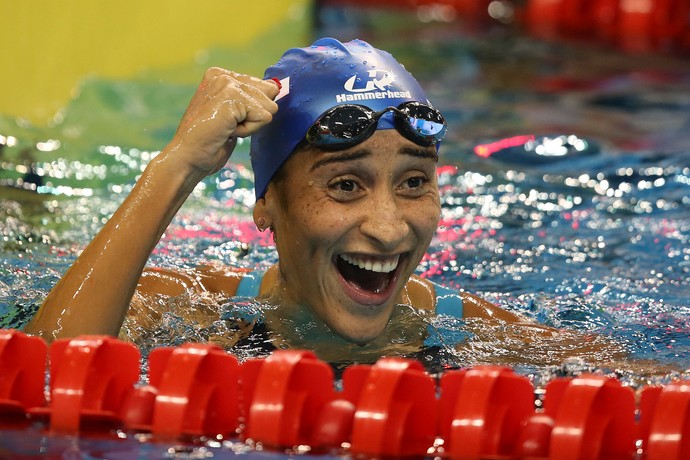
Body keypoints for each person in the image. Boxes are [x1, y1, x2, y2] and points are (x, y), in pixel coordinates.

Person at [25, 38, 602, 364]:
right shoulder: (190, 309)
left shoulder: (483, 336)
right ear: (266, 206)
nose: (389, 228)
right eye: (345, 185)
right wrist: (177, 166)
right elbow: (50, 373)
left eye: (413, 182)